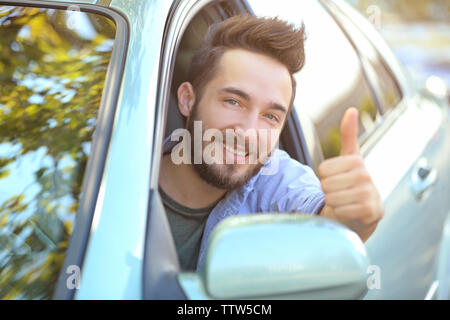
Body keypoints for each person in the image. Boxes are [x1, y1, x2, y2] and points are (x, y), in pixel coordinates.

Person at [158, 15, 384, 271]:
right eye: (233, 102)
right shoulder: (113, 171)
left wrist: (351, 222)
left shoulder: (275, 179)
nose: (248, 133)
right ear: (188, 99)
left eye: (270, 116)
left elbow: (322, 221)